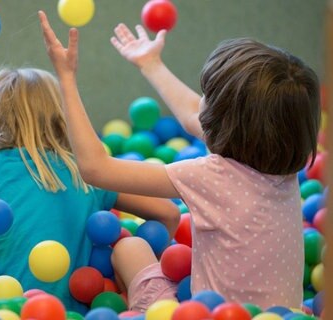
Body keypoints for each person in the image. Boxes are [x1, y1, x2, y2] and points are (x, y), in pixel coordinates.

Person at [38, 10, 320, 311]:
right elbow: (192, 115)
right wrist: (151, 64)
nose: (200, 103)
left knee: (130, 249)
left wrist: (66, 78)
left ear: (223, 122)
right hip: (285, 315)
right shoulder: (285, 163)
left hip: (209, 316)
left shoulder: (212, 175)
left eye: (206, 96)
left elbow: (96, 168)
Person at [0, 67, 180, 312]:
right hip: (68, 313)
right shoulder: (87, 172)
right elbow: (168, 212)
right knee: (131, 246)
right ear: (61, 117)